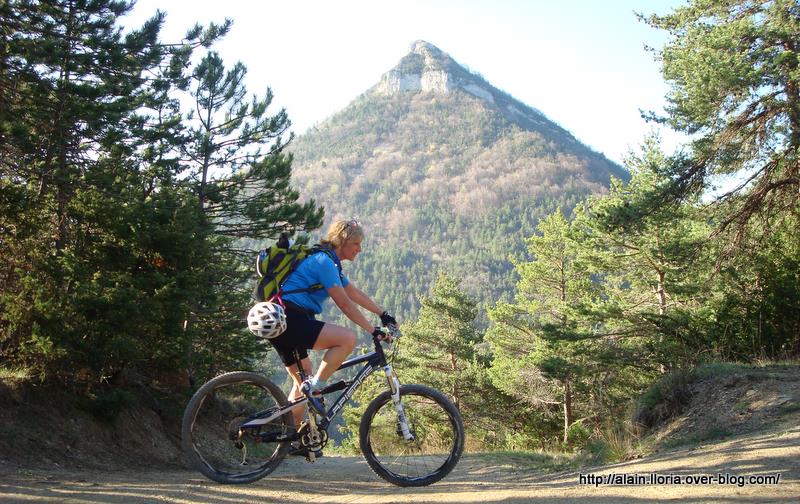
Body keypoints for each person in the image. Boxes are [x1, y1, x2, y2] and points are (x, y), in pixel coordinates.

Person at [266, 218, 397, 445]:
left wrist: (382, 313)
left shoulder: (330, 262)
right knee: (347, 339)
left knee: (301, 384)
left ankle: (286, 441)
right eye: (356, 244)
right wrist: (372, 330)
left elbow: (353, 292)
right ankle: (317, 389)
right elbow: (345, 304)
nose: (360, 249)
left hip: (284, 321)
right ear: (343, 240)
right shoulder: (323, 262)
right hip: (291, 319)